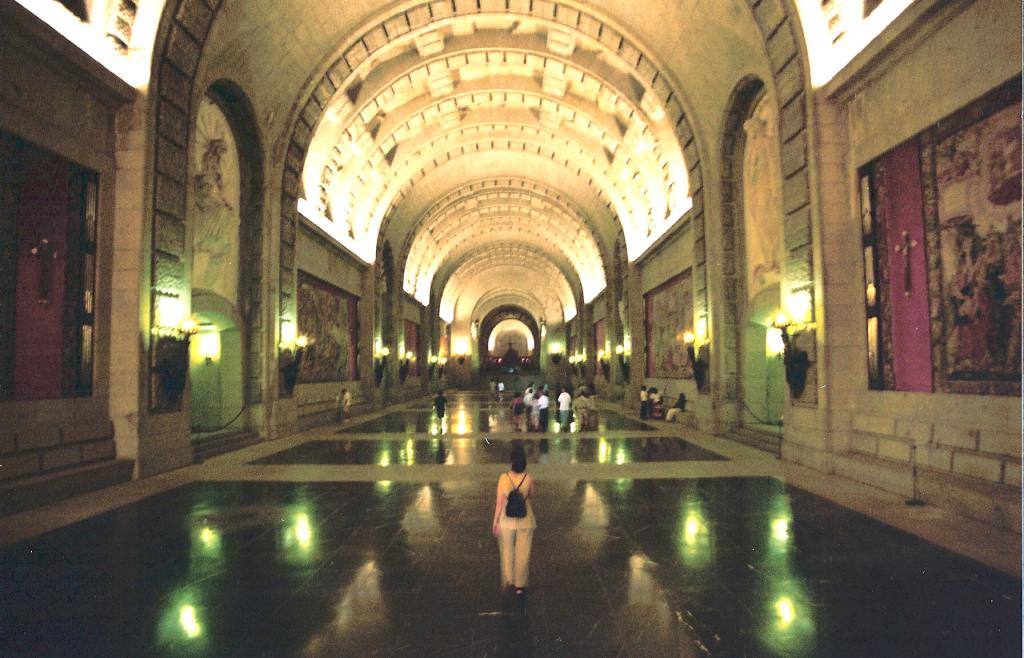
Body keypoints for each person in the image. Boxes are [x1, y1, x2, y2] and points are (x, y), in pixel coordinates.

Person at [491, 445, 536, 597]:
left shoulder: (503, 478)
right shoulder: (528, 478)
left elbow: (499, 502)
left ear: (511, 462)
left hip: (506, 520)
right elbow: (530, 496)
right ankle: (520, 585)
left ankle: (509, 581)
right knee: (523, 552)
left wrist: (495, 521)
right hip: (525, 519)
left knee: (506, 551)